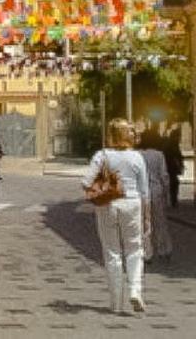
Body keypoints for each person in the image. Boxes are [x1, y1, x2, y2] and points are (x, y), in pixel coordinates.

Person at [82, 119, 150, 315]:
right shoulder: (137, 157)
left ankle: (116, 303)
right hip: (133, 204)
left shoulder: (101, 155)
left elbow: (86, 181)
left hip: (108, 205)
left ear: (111, 135)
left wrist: (97, 188)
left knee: (112, 252)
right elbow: (145, 191)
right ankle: (135, 290)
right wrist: (147, 217)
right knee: (134, 249)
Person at [136, 131, 173, 260]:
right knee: (160, 221)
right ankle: (164, 249)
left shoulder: (138, 155)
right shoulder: (159, 155)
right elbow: (164, 176)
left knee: (144, 222)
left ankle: (147, 252)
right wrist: (167, 194)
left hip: (142, 192)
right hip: (157, 190)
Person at [163, 126, 185, 208]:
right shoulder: (172, 144)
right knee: (174, 184)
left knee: (173, 184)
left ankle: (173, 200)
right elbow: (177, 155)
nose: (180, 138)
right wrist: (180, 163)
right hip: (170, 167)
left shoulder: (170, 143)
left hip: (170, 167)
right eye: (179, 136)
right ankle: (173, 201)